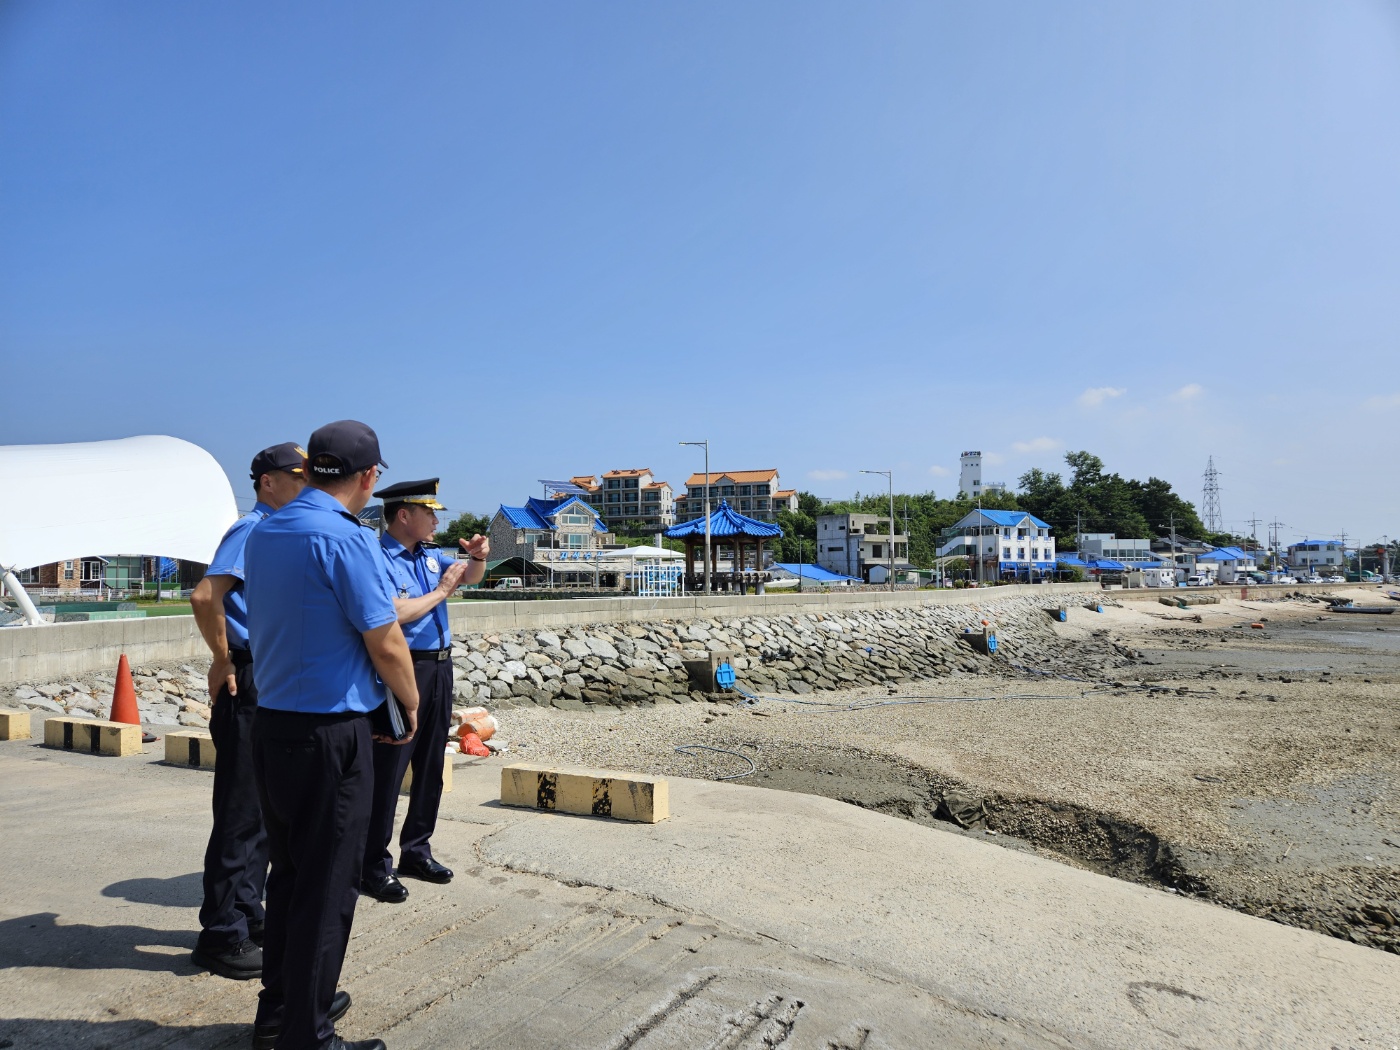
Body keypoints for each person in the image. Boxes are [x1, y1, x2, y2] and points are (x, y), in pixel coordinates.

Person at [244, 420, 419, 1050]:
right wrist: (411, 703)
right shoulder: (346, 540)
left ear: (312, 466)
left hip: (273, 726)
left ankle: (280, 1015)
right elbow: (385, 638)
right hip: (332, 733)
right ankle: (307, 1035)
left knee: (288, 875)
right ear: (370, 478)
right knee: (328, 888)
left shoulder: (267, 530)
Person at [188, 442, 305, 981]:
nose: (306, 484)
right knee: (239, 813)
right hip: (249, 677)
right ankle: (221, 934)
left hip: (269, 677)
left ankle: (248, 916)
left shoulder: (277, 531)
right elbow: (205, 595)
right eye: (296, 475)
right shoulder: (252, 528)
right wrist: (223, 658)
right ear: (267, 481)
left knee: (261, 812)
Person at [359, 479, 489, 904]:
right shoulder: (378, 558)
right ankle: (372, 865)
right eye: (429, 513)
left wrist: (478, 558)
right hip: (402, 668)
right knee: (389, 771)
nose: (436, 520)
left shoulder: (430, 555)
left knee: (431, 766)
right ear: (403, 515)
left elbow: (467, 575)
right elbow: (394, 611)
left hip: (440, 667)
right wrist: (441, 592)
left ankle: (416, 850)